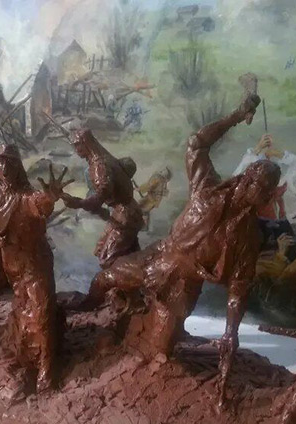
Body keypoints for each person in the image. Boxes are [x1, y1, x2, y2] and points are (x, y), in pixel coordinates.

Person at [76, 94, 280, 407]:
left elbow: (238, 289)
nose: (266, 197)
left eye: (269, 193)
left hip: (181, 288)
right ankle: (83, 313)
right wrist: (238, 114)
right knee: (104, 280)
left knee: (157, 353)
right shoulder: (207, 188)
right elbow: (197, 143)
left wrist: (230, 332)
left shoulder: (248, 237)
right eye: (263, 189)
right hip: (157, 256)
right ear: (248, 179)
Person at [0, 144, 69, 392]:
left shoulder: (25, 196)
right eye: (0, 161)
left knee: (41, 310)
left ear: (18, 166)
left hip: (35, 262)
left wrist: (50, 197)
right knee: (25, 311)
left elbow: (39, 205)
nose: (4, 167)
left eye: (10, 162)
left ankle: (46, 367)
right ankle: (26, 353)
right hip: (11, 265)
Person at [61, 129, 143, 268]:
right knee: (107, 251)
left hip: (125, 216)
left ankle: (130, 280)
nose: (76, 149)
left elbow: (100, 197)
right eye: (74, 145)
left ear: (86, 144)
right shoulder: (102, 160)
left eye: (77, 145)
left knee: (108, 260)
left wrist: (79, 203)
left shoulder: (99, 166)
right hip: (122, 214)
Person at [233, 134, 296, 248]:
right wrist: (256, 150)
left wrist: (277, 154)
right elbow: (236, 178)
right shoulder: (252, 189)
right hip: (261, 227)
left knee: (292, 249)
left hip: (283, 225)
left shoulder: (283, 183)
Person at [137, 167, 172, 231]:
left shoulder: (158, 179)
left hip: (151, 199)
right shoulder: (163, 181)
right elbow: (164, 192)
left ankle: (144, 226)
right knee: (143, 210)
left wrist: (139, 189)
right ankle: (144, 226)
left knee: (142, 209)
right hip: (153, 199)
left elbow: (149, 186)